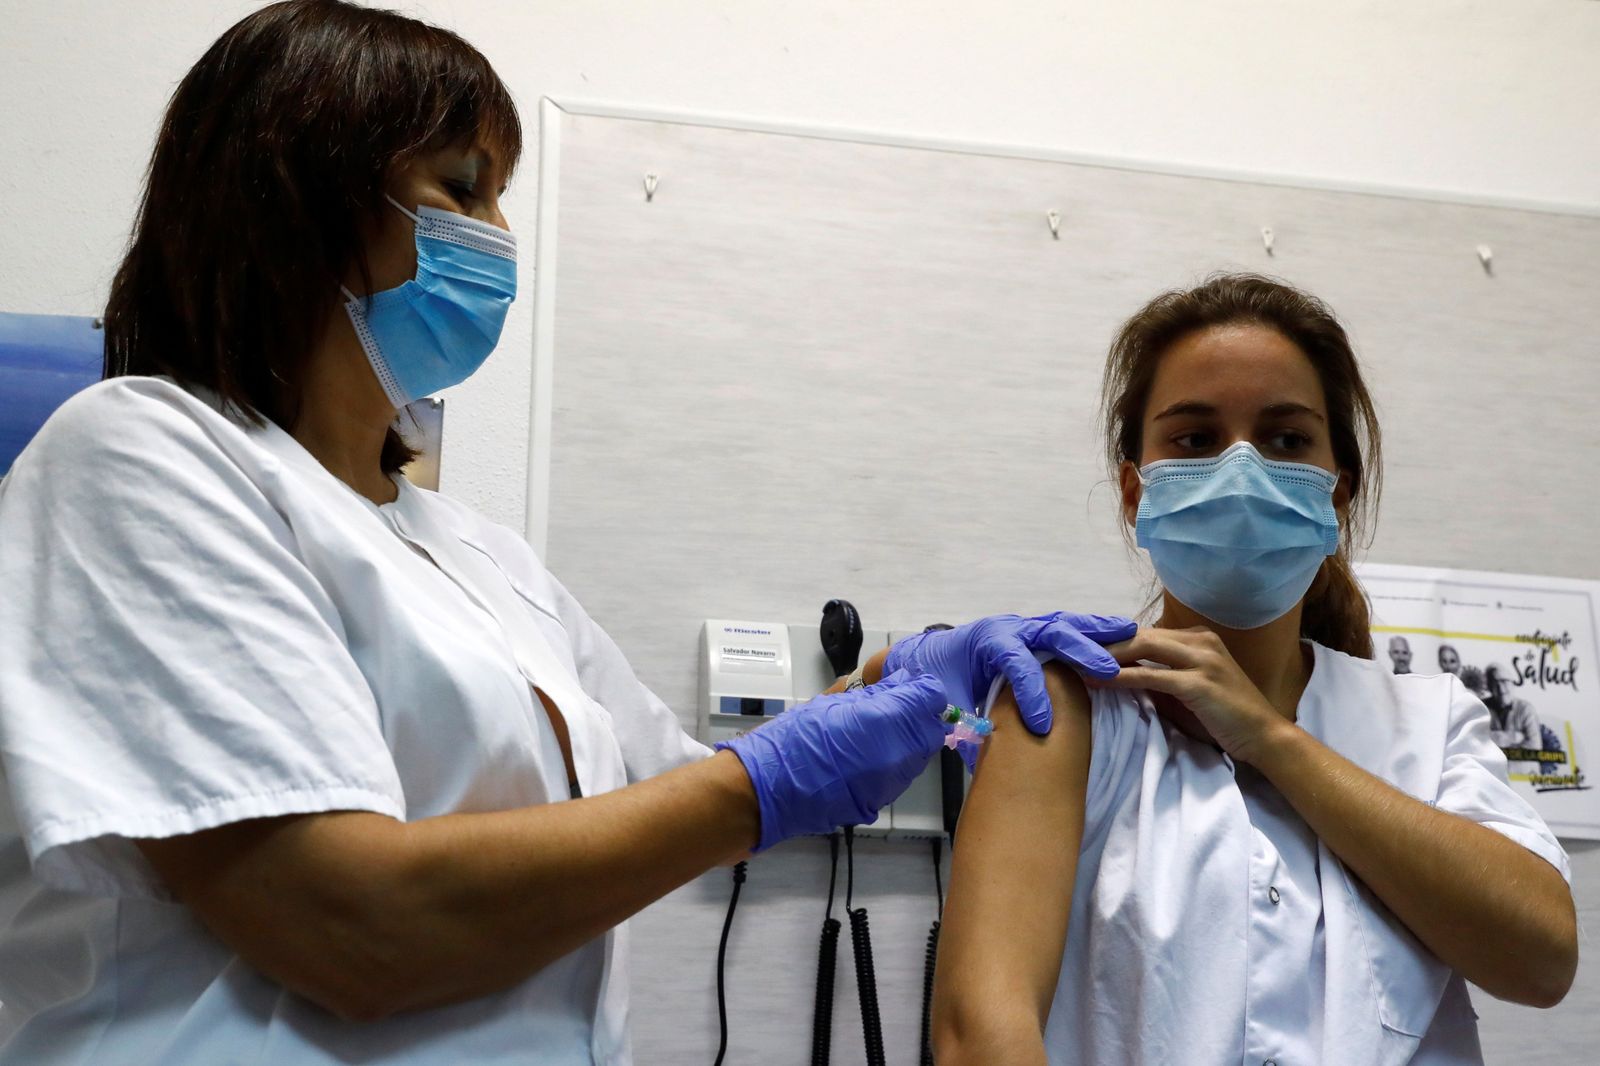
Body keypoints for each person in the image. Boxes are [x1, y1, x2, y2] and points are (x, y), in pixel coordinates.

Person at [0, 4, 1135, 1063]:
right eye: (464, 187)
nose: (499, 236)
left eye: (504, 199)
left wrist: (887, 697)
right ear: (303, 197)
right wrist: (772, 778)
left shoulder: (475, 555)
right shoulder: (144, 456)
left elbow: (666, 795)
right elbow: (347, 925)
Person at [931, 275, 1576, 1065]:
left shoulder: (1428, 723)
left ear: (1337, 494)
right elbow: (979, 1034)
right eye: (1196, 440)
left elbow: (1543, 961)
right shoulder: (1064, 706)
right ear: (1135, 492)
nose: (1243, 471)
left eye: (1286, 440)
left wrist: (1271, 739)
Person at [1483, 664, 1544, 751]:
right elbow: (1473, 740)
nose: (1501, 688)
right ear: (1489, 688)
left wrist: (1491, 738)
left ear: (1512, 683)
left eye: (1504, 681)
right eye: (1494, 683)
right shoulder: (1481, 706)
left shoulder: (1526, 709)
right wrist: (1513, 737)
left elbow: (1535, 746)